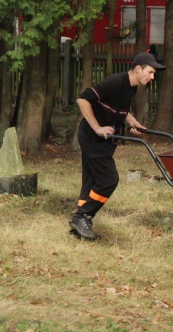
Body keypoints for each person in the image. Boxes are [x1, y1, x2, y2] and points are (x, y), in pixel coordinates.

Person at [70, 52, 166, 240]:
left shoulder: (131, 86)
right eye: (150, 72)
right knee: (109, 179)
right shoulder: (115, 81)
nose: (152, 77)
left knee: (91, 180)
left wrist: (132, 121)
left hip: (106, 139)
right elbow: (83, 99)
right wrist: (97, 127)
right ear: (137, 69)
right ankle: (82, 216)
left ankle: (80, 222)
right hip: (92, 137)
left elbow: (119, 109)